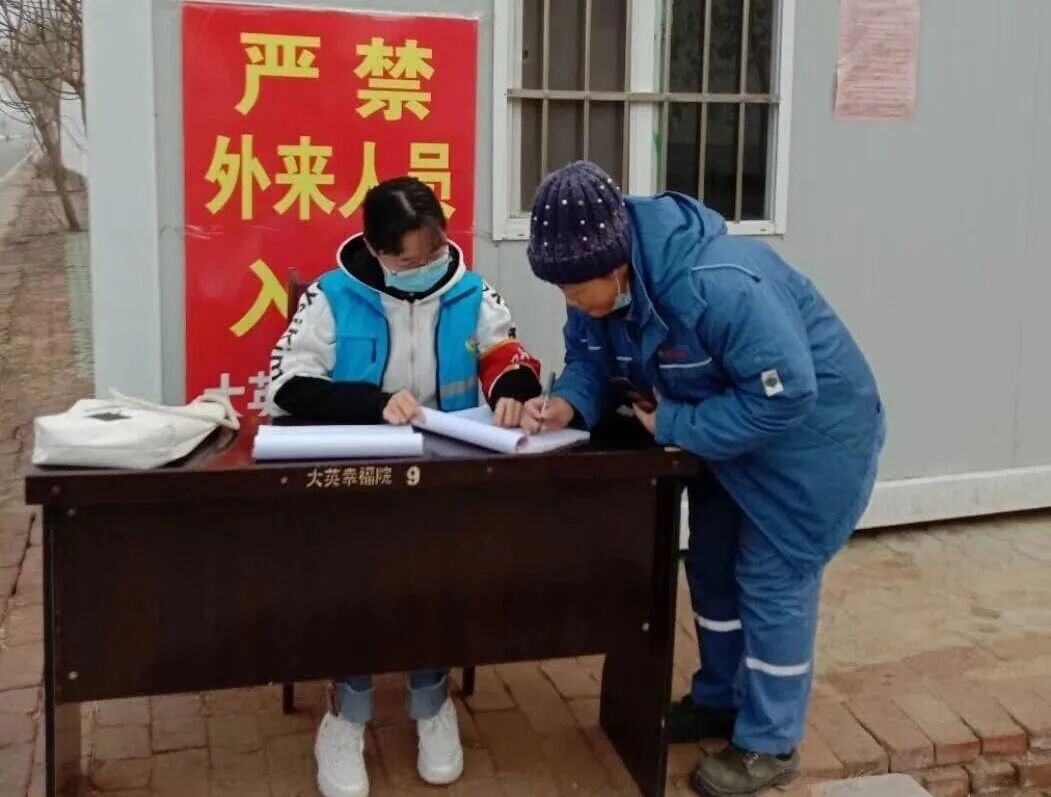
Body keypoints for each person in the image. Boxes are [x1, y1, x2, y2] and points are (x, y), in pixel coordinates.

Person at [520, 162, 885, 797]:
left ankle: (771, 742)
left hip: (810, 442)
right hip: (722, 440)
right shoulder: (598, 287)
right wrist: (568, 403)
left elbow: (786, 392)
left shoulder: (719, 284)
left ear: (616, 266)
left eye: (577, 290)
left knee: (771, 580)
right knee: (711, 565)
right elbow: (589, 360)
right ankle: (720, 698)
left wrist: (676, 422)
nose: (571, 302)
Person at [266, 176, 543, 797]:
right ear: (375, 248)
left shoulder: (470, 291)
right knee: (351, 575)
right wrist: (372, 402)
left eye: (434, 251)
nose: (426, 267)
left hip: (444, 482)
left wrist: (513, 391)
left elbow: (506, 353)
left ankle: (430, 697)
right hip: (357, 485)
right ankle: (346, 711)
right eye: (409, 261)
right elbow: (286, 385)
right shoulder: (332, 297)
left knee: (440, 574)